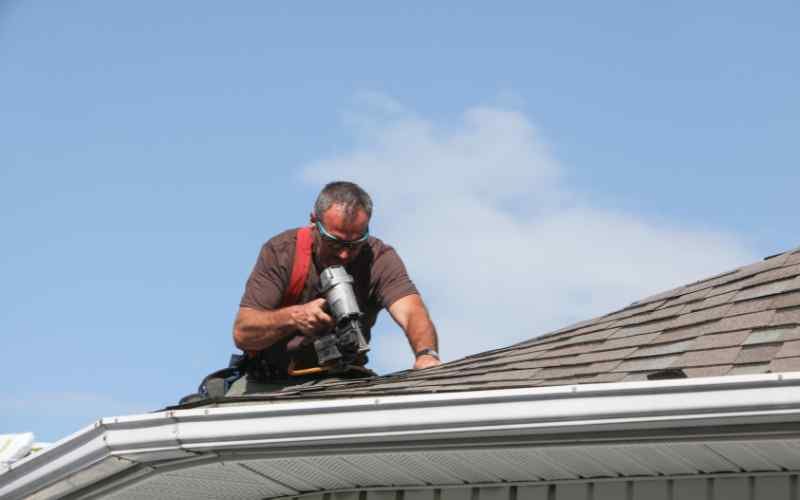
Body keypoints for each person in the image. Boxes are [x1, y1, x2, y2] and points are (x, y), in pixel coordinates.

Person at [227, 181, 440, 395]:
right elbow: (243, 333)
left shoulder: (379, 259)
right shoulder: (282, 252)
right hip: (270, 382)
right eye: (334, 243)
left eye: (355, 243)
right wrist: (293, 317)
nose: (344, 254)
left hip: (344, 379)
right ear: (314, 222)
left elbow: (412, 312)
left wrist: (426, 354)